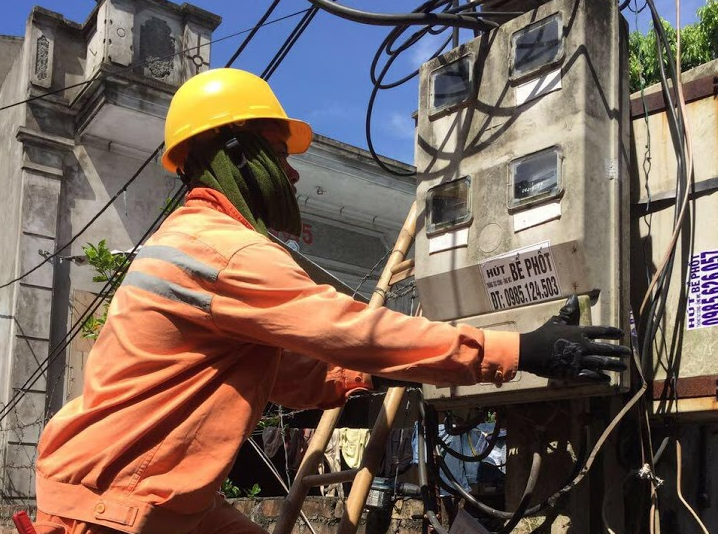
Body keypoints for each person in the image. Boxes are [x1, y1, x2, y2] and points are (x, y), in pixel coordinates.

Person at [33, 69, 629, 534]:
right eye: (278, 153)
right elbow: (353, 330)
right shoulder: (224, 252)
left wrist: (369, 379)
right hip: (114, 508)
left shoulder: (187, 244)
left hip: (135, 494)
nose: (291, 176)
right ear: (238, 154)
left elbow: (288, 377)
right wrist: (520, 348)